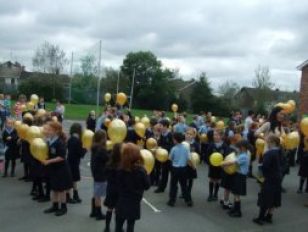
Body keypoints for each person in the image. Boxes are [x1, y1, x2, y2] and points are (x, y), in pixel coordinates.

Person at [115, 143, 150, 232]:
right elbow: (147, 186)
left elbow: (116, 184)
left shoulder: (120, 169)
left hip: (121, 200)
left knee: (118, 225)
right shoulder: (141, 170)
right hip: (135, 201)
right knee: (130, 225)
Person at [42, 121, 73, 216]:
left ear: (56, 131)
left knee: (61, 190)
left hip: (61, 170)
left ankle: (63, 207)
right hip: (53, 169)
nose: (46, 131)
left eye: (49, 130)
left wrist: (48, 161)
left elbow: (61, 157)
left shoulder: (59, 142)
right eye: (46, 129)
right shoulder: (49, 140)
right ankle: (55, 205)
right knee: (54, 188)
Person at [253, 135, 282, 225]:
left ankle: (260, 218)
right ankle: (269, 216)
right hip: (277, 177)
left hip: (269, 178)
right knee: (274, 198)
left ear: (272, 142)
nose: (266, 143)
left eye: (268, 141)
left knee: (265, 198)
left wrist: (260, 176)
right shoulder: (280, 151)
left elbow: (265, 167)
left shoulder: (269, 153)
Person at [222, 140, 250, 218]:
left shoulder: (244, 156)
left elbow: (233, 162)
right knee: (235, 193)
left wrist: (222, 163)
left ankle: (238, 211)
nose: (236, 149)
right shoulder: (242, 154)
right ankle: (235, 209)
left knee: (237, 194)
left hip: (240, 176)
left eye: (238, 147)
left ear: (242, 148)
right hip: (238, 175)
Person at [167, 132, 193, 207]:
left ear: (175, 140)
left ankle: (172, 201)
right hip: (183, 169)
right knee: (184, 185)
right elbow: (188, 159)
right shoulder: (186, 148)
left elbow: (170, 158)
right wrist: (192, 167)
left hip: (175, 169)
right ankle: (188, 200)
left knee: (173, 185)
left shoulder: (173, 149)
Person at [90, 129, 109, 220]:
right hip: (100, 173)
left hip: (96, 172)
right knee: (98, 195)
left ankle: (93, 211)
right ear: (102, 138)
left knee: (96, 193)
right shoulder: (101, 149)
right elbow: (108, 159)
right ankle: (98, 213)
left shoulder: (95, 146)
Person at [206, 129, 230, 202]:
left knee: (218, 180)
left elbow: (226, 156)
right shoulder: (211, 145)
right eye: (214, 135)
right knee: (211, 179)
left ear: (221, 136)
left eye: (217, 135)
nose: (215, 136)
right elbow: (207, 155)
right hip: (212, 166)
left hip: (220, 166)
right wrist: (209, 163)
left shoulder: (225, 146)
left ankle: (215, 194)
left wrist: (224, 164)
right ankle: (210, 194)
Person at [104, 143, 122, 232]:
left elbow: (106, 175)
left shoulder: (109, 163)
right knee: (118, 211)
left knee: (109, 209)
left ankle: (107, 227)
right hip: (119, 189)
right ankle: (118, 228)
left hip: (111, 188)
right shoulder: (121, 165)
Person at [67, 123, 87, 203]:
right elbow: (81, 154)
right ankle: (68, 196)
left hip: (70, 160)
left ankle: (74, 195)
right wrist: (85, 149)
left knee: (73, 179)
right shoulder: (78, 141)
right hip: (74, 162)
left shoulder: (70, 139)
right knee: (72, 179)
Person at [155, 119, 174, 193]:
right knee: (164, 173)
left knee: (173, 175)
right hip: (164, 157)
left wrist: (162, 148)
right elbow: (160, 144)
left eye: (161, 126)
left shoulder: (170, 135)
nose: (159, 127)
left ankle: (173, 190)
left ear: (166, 126)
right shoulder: (162, 134)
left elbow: (171, 146)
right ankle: (161, 188)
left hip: (170, 158)